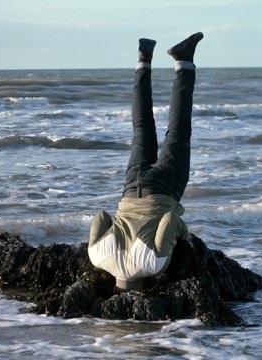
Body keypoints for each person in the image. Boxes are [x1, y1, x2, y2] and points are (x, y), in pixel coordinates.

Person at [88, 32, 203, 292]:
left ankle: (183, 60)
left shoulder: (152, 265)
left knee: (178, 128)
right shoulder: (97, 258)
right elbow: (101, 217)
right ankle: (143, 59)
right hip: (131, 188)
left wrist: (187, 239)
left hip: (164, 189)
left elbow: (170, 221)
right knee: (141, 128)